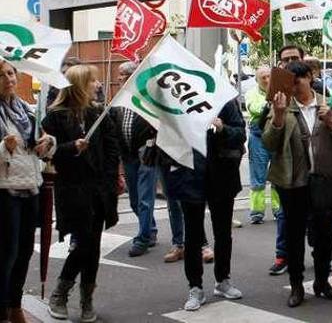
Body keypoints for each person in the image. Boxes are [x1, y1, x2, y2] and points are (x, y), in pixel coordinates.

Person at [263, 61, 332, 307]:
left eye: (297, 80)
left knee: (324, 233)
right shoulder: (281, 106)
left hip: (325, 178)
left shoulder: (329, 102)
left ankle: (322, 281)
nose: (293, 86)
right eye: (289, 81)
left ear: (310, 78)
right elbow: (269, 143)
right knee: (293, 234)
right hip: (292, 181)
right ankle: (296, 285)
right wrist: (278, 116)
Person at [43, 65, 120, 323]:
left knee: (93, 245)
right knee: (85, 243)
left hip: (98, 190)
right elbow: (45, 152)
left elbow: (112, 149)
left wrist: (110, 181)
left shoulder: (99, 113)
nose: (97, 85)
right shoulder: (54, 117)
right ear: (78, 85)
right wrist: (70, 147)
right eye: (92, 81)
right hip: (73, 190)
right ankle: (61, 293)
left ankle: (87, 298)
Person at [164, 99, 246, 312]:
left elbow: (240, 134)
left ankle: (223, 280)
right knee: (192, 236)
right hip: (190, 175)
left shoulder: (224, 99)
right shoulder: (178, 101)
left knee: (223, 233)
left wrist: (222, 128)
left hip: (222, 177)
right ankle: (195, 287)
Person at [0, 62, 54, 323]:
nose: (7, 78)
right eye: (1, 75)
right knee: (6, 253)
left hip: (31, 187)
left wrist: (48, 142)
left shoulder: (26, 110)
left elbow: (41, 144)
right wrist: (3, 147)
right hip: (5, 191)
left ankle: (15, 304)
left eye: (10, 73)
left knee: (24, 251)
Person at [112, 62, 160, 258]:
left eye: (122, 75)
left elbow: (160, 123)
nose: (119, 78)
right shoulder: (120, 99)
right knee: (134, 200)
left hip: (146, 152)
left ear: (133, 76)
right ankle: (152, 229)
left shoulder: (148, 98)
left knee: (144, 199)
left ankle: (142, 239)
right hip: (129, 154)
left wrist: (153, 142)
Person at [269, 44, 305, 276]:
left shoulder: (319, 92)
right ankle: (284, 255)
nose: (289, 62)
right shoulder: (274, 95)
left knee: (316, 216)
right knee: (286, 215)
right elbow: (267, 135)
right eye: (285, 59)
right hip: (286, 168)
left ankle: (318, 261)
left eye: (294, 58)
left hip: (313, 170)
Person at [244, 66, 279, 225]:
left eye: (268, 76)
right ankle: (257, 212)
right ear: (257, 79)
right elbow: (253, 108)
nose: (266, 80)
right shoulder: (251, 93)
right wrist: (269, 104)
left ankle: (279, 210)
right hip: (258, 138)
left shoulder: (279, 91)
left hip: (276, 137)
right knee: (258, 177)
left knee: (278, 176)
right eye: (262, 77)